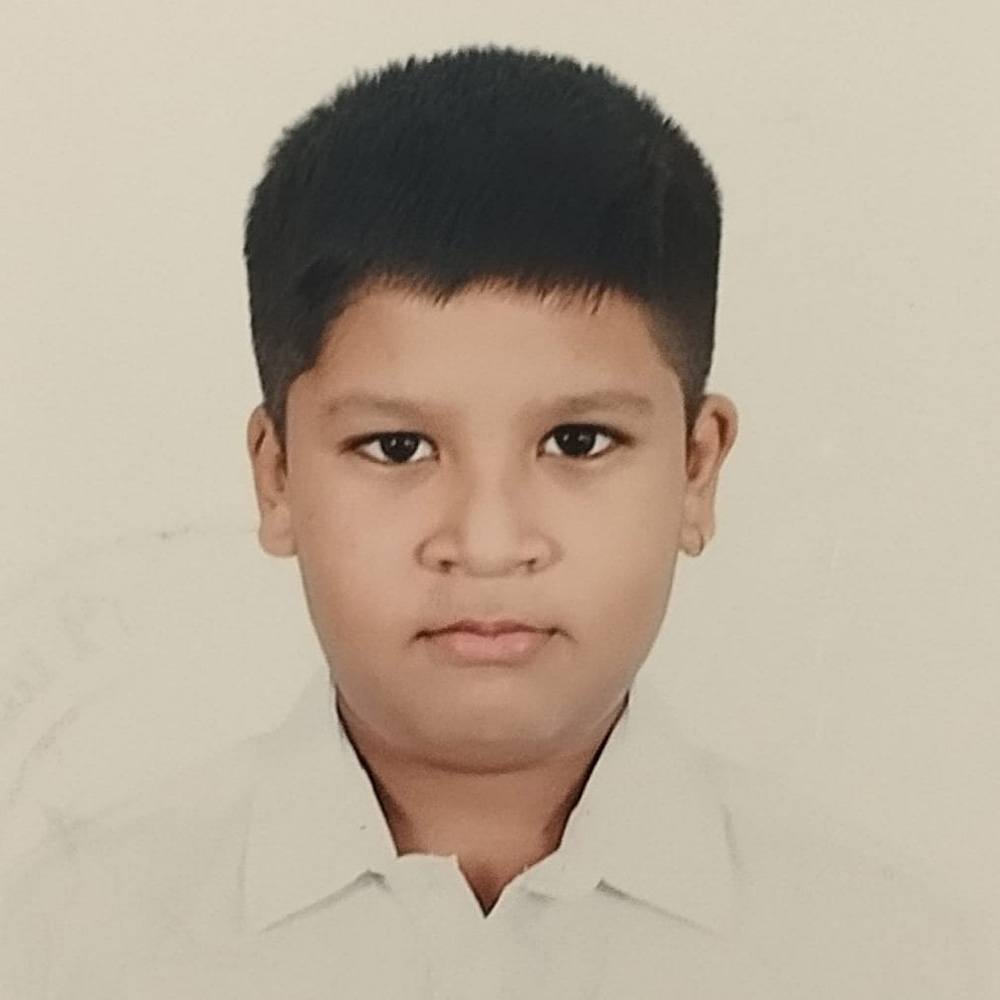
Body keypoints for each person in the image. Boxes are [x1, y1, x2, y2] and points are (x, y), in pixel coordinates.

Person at [0, 44, 992, 1000]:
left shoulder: (896, 958)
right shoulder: (62, 946)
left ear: (696, 470)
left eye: (577, 441)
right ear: (277, 477)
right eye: (397, 447)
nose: (485, 543)